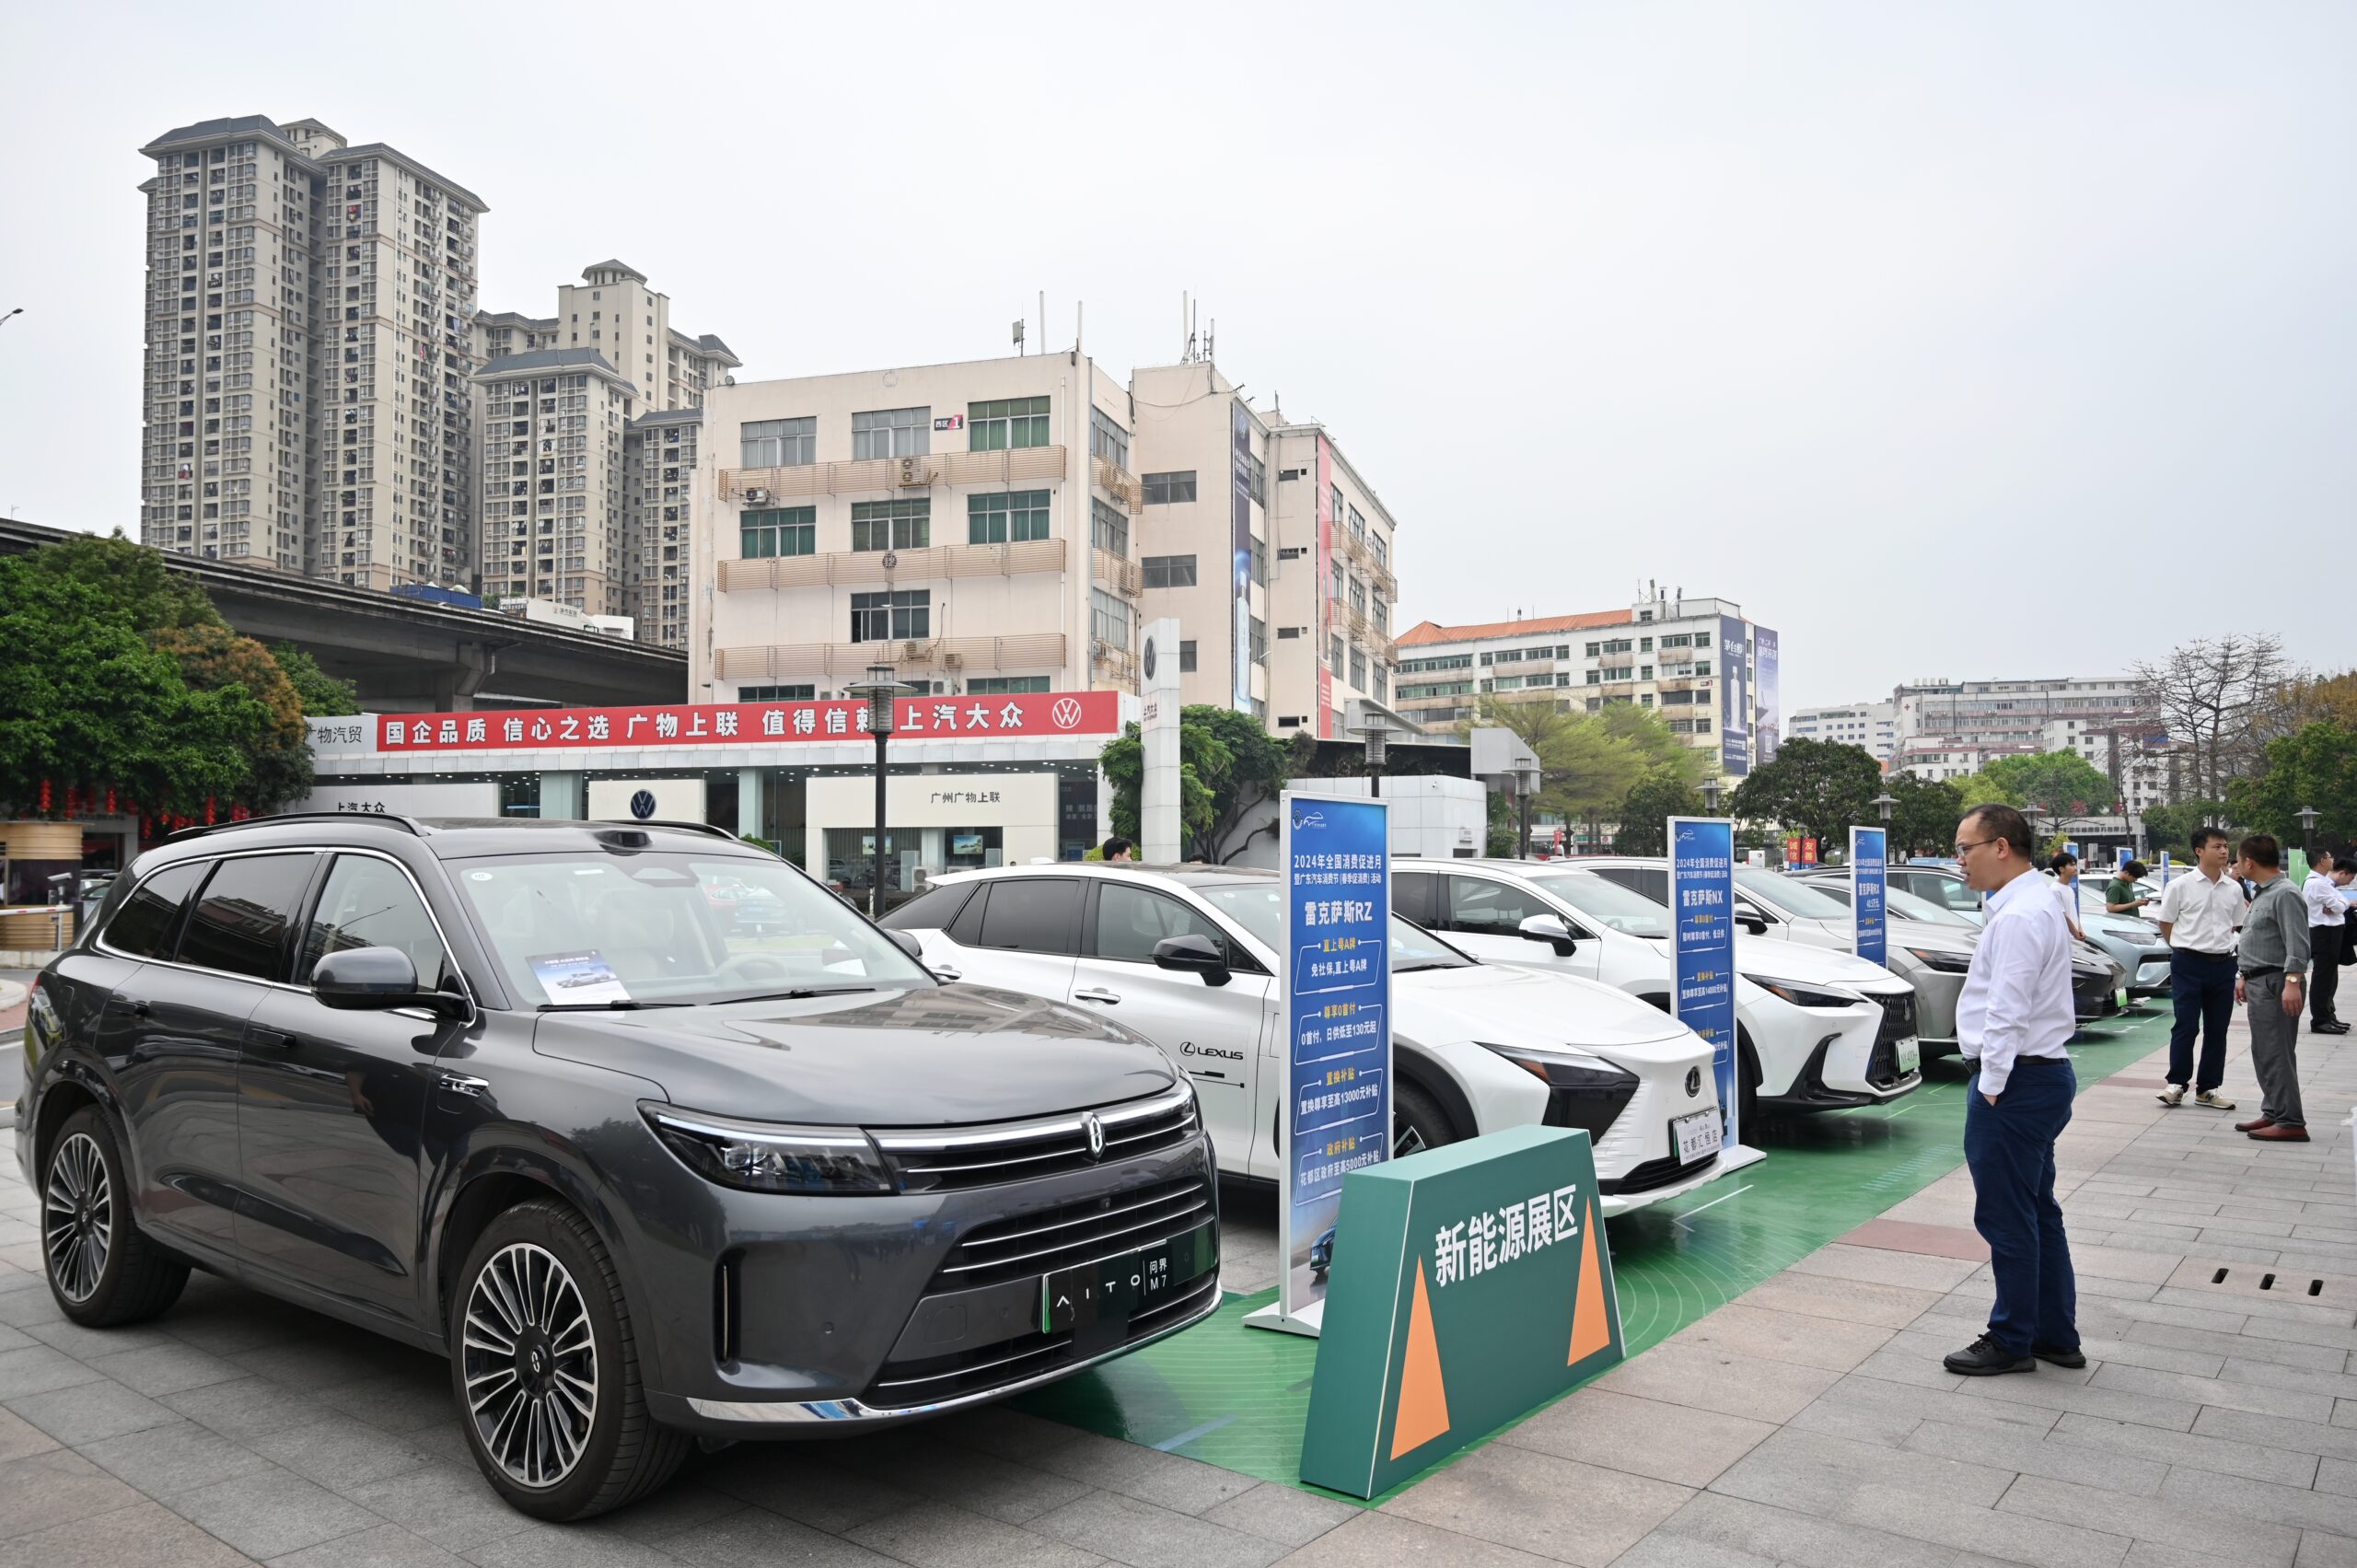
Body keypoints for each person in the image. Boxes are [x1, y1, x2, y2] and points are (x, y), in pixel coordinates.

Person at [1944, 803, 2081, 1377]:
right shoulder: (2032, 902)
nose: (1959, 861)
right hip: (2035, 1075)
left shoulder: (2021, 914)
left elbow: (2007, 1007)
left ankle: (2012, 1337)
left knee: (2007, 1215)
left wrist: (1993, 1084)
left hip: (2017, 1080)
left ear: (2001, 847)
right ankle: (2054, 1334)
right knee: (2036, 1209)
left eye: (1965, 848)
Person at [2154, 827, 2245, 1110]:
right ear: (2199, 851)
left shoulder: (2234, 888)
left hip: (2223, 965)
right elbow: (2165, 922)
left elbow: (2237, 926)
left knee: (2218, 1028)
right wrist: (2181, 947)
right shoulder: (2180, 886)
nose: (2224, 851)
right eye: (2217, 846)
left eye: (2225, 846)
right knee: (2186, 1025)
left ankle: (2208, 1088)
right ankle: (2176, 1084)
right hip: (2188, 964)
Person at [2235, 834, 2312, 1143]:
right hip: (2260, 980)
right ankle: (2274, 1111)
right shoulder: (2264, 892)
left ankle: (2291, 1120)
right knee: (2264, 1051)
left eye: (2238, 859)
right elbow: (2260, 940)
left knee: (2277, 1052)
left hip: (2276, 982)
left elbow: (2298, 943)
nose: (2237, 865)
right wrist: (2244, 975)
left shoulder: (2285, 894)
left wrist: (2292, 982)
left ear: (2249, 862)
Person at [2304, 850, 2349, 1035]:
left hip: (2330, 933)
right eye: (2330, 858)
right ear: (2322, 861)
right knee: (2323, 978)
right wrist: (2339, 905)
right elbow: (2339, 906)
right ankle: (2320, 1020)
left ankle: (2328, 1016)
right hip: (2323, 933)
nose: (2333, 860)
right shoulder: (2316, 883)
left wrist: (2340, 905)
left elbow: (2343, 902)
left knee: (2330, 977)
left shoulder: (2323, 881)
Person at [2048, 852, 2087, 942]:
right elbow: (2063, 916)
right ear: (2061, 869)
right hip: (2065, 939)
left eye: (2075, 865)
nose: (2075, 868)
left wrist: (2080, 930)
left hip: (2074, 938)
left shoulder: (2069, 889)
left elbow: (2073, 913)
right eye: (2071, 865)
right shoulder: (2054, 890)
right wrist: (2076, 933)